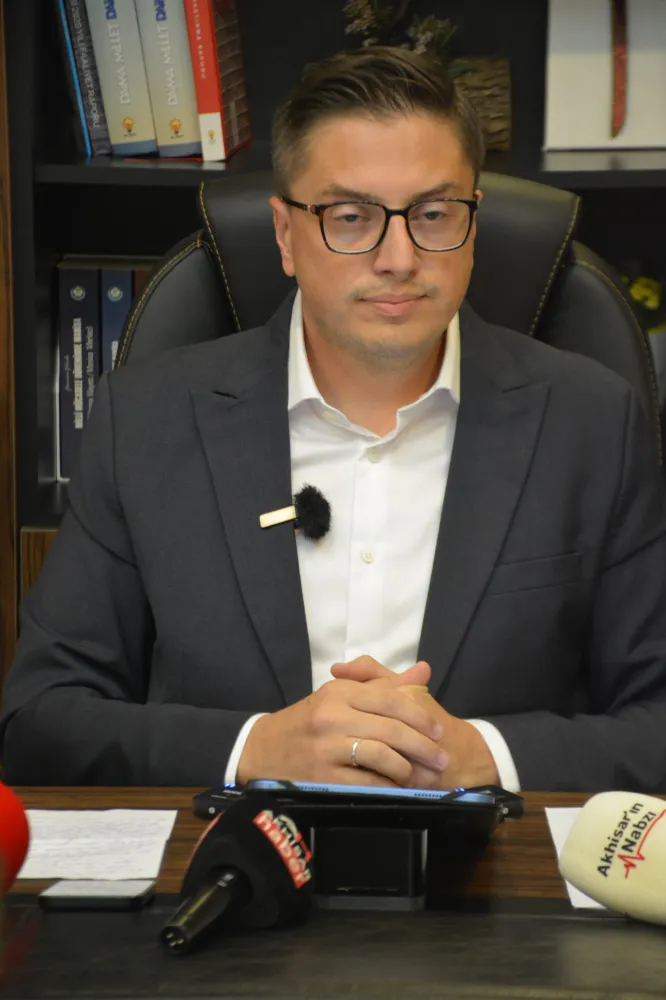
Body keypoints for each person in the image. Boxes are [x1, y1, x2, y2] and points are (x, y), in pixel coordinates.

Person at [2, 47, 666, 793]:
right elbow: (39, 722)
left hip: (494, 859)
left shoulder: (592, 423)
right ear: (285, 236)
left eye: (434, 214)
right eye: (351, 218)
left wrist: (480, 754)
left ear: (474, 224)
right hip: (233, 851)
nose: (398, 257)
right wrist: (256, 748)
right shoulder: (146, 421)